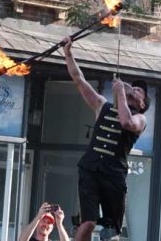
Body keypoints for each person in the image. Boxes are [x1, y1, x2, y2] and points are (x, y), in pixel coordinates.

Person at [62, 37, 150, 241]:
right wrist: (68, 54)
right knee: (88, 222)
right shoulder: (103, 105)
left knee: (111, 230)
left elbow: (126, 122)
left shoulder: (140, 118)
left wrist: (120, 92)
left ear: (142, 104)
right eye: (133, 88)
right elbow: (79, 79)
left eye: (139, 92)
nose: (134, 90)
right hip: (90, 169)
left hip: (113, 175)